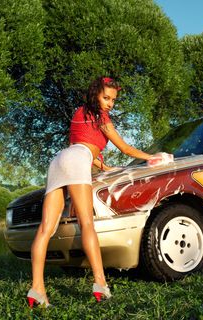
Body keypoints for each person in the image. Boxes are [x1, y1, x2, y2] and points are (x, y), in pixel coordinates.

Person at [27, 76, 165, 307]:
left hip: (59, 161)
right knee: (87, 224)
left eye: (113, 100)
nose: (110, 103)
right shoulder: (102, 117)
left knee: (45, 229)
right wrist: (152, 157)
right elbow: (124, 147)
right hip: (77, 159)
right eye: (106, 97)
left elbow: (81, 147)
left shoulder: (79, 113)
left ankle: (37, 289)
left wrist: (106, 167)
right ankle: (100, 284)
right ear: (95, 94)